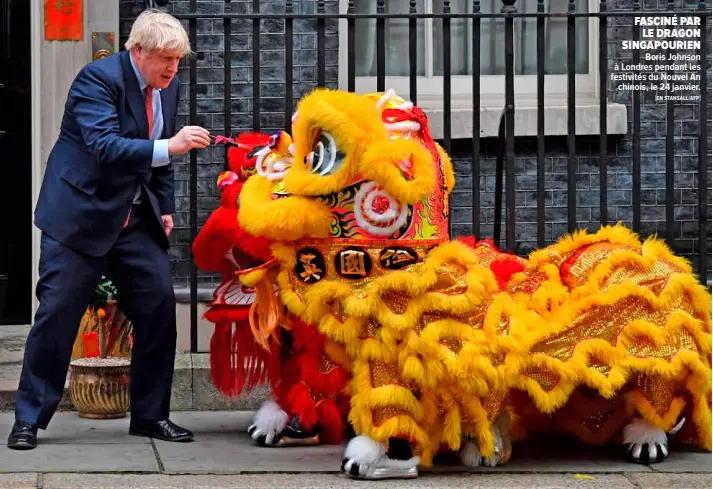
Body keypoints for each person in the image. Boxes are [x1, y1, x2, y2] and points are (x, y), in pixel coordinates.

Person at [7, 9, 211, 450]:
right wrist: (169, 146)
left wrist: (166, 206)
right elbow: (105, 145)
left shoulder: (167, 84)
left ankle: (151, 417)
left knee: (159, 308)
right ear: (136, 51)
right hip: (80, 216)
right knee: (57, 316)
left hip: (134, 219)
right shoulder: (95, 81)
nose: (172, 69)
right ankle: (27, 420)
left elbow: (160, 154)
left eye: (177, 60)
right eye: (164, 59)